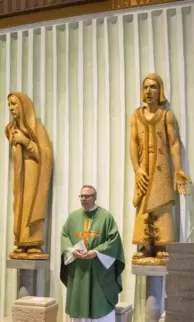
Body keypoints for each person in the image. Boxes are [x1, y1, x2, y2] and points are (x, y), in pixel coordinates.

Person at [129, 73, 191, 264]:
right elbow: (132, 143)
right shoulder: (136, 116)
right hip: (144, 168)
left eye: (153, 87)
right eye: (146, 87)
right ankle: (145, 244)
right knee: (143, 204)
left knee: (162, 203)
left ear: (160, 90)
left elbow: (174, 143)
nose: (149, 91)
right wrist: (137, 169)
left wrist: (178, 168)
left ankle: (162, 244)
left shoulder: (166, 116)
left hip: (162, 167)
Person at [60, 185, 125, 322]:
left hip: (99, 271)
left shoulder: (106, 217)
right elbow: (65, 236)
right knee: (80, 307)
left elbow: (114, 241)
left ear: (95, 197)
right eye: (81, 196)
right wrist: (72, 251)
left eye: (87, 196)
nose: (83, 199)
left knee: (100, 304)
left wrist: (96, 252)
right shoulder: (73, 217)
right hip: (79, 270)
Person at [5, 91, 53, 260]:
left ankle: (33, 242)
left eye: (14, 104)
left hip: (33, 173)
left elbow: (46, 155)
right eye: (9, 104)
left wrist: (26, 142)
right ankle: (21, 241)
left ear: (23, 106)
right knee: (19, 205)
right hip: (20, 176)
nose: (11, 108)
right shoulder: (12, 130)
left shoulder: (36, 128)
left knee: (31, 205)